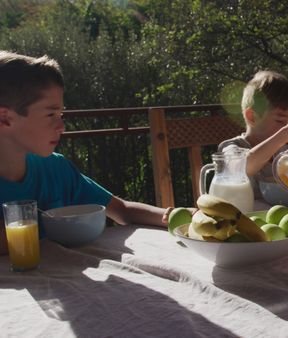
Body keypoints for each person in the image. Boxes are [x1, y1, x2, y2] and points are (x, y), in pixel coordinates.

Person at [0, 51, 170, 256]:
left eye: (61, 114)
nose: (61, 126)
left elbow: (122, 210)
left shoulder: (57, 169)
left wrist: (173, 215)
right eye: (50, 114)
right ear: (5, 118)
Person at [217, 70, 288, 185]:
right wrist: (283, 134)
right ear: (252, 117)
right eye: (280, 120)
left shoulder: (286, 152)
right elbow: (242, 168)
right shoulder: (232, 148)